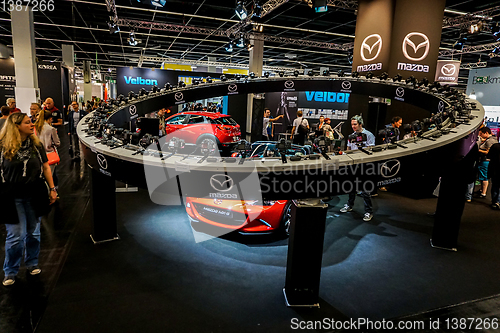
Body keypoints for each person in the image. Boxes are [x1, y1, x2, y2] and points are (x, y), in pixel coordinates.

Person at [0, 113, 57, 286]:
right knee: (16, 235)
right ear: (16, 126)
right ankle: (10, 271)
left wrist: (53, 189)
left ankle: (32, 263)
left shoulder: (36, 145)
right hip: (11, 195)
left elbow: (46, 167)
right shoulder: (3, 146)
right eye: (27, 122)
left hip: (34, 192)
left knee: (33, 232)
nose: (32, 124)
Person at [340, 115, 375, 222]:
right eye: (352, 124)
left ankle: (369, 212)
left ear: (360, 124)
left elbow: (371, 150)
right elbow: (348, 149)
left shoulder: (369, 135)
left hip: (364, 165)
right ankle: (349, 205)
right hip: (353, 164)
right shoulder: (351, 136)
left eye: (355, 124)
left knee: (365, 190)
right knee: (351, 187)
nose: (353, 126)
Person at [35, 110, 60, 175]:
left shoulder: (35, 128)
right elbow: (57, 143)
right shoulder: (51, 129)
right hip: (49, 154)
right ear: (50, 118)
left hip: (37, 154)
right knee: (49, 176)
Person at [477, 127, 498, 198]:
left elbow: (488, 152)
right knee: (483, 177)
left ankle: (483, 193)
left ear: (486, 133)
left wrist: (479, 150)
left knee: (484, 177)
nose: (480, 135)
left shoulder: (490, 141)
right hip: (486, 161)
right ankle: (482, 190)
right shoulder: (491, 139)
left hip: (486, 160)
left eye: (481, 134)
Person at [488, 142, 500, 210]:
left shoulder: (495, 146)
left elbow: (489, 156)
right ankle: (498, 202)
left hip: (495, 169)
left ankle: (494, 202)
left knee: (495, 185)